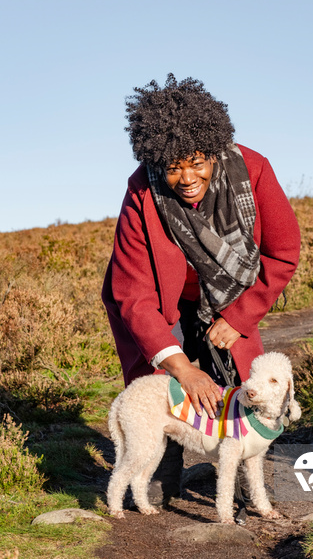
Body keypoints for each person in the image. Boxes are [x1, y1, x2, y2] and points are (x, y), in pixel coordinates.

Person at [102, 74, 301, 501]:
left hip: (229, 301)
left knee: (232, 382)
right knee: (162, 387)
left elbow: (283, 253)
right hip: (158, 305)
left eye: (196, 162)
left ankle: (243, 486)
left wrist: (240, 316)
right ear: (156, 161)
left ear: (214, 149)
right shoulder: (142, 191)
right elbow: (132, 296)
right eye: (172, 168)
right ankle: (159, 476)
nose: (187, 177)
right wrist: (182, 367)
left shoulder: (253, 169)